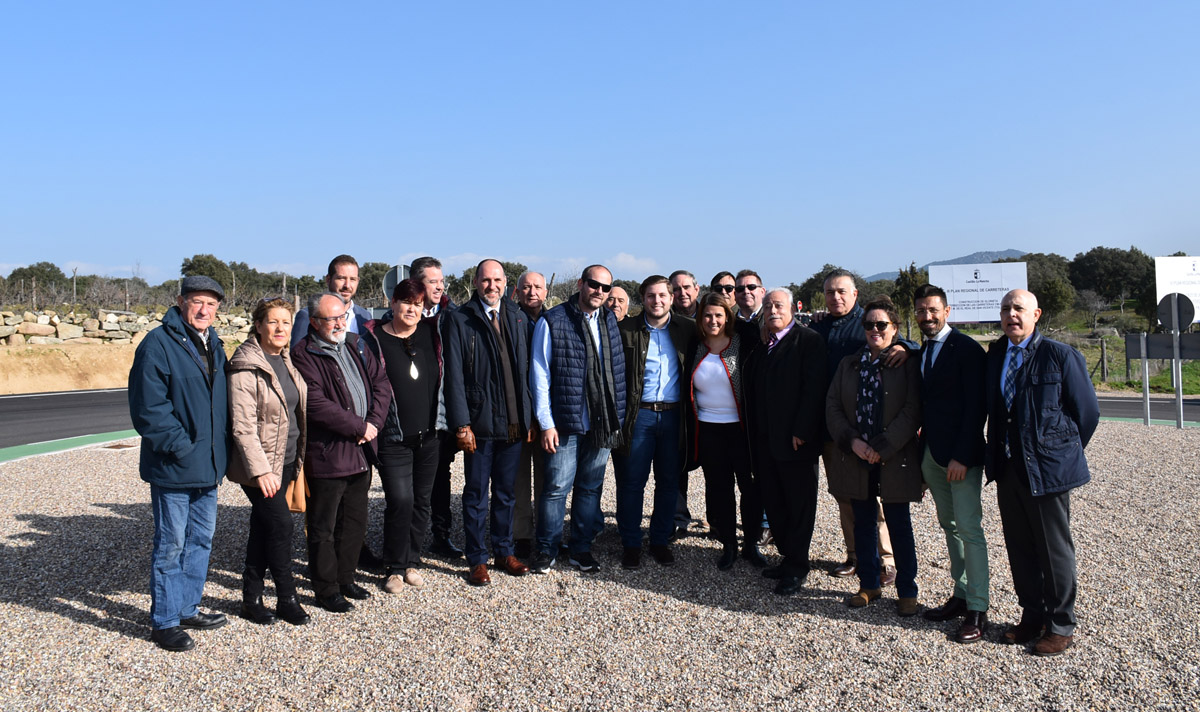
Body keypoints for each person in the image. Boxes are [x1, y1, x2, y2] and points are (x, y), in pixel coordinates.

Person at [985, 289, 1098, 656]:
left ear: (1037, 314)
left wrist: (1057, 452)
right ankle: (1032, 616)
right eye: (1005, 309)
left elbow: (1087, 414)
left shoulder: (1060, 356)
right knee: (1020, 548)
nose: (1011, 314)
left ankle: (1061, 623)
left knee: (1054, 550)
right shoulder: (997, 353)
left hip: (1046, 471)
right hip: (1008, 469)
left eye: (1019, 308)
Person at [128, 275, 230, 652]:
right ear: (181, 301)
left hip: (209, 466)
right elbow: (148, 408)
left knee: (200, 540)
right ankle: (165, 621)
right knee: (171, 543)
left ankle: (188, 606)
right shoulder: (157, 345)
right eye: (197, 301)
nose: (204, 310)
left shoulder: (214, 345)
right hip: (175, 466)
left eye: (212, 304)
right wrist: (181, 447)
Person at [291, 292, 390, 613]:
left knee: (355, 522)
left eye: (342, 316)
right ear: (315, 322)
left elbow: (381, 384)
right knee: (324, 527)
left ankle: (346, 578)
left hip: (362, 450)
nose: (338, 323)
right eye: (331, 319)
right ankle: (326, 588)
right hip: (329, 454)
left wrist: (373, 422)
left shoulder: (357, 344)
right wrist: (358, 427)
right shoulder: (303, 354)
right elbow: (316, 403)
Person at [825, 296, 923, 615]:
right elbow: (834, 407)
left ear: (894, 328)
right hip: (857, 456)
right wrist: (852, 442)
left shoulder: (907, 362)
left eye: (882, 324)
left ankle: (907, 589)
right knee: (863, 523)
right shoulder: (849, 364)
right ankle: (869, 584)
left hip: (893, 457)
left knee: (898, 523)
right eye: (869, 325)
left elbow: (912, 410)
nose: (875, 330)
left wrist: (883, 447)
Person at [529, 265, 626, 574]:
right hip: (566, 422)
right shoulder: (553, 320)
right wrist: (546, 423)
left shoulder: (609, 320)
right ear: (582, 284)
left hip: (601, 421)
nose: (599, 291)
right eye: (593, 284)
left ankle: (581, 549)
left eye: (605, 287)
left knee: (590, 487)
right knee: (557, 487)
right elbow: (540, 375)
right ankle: (547, 548)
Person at [443, 260, 534, 585]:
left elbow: (527, 372)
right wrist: (461, 424)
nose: (491, 285)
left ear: (505, 283)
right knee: (476, 494)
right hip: (479, 425)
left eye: (497, 280)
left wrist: (528, 416)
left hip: (513, 424)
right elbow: (453, 376)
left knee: (507, 493)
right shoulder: (460, 318)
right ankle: (477, 559)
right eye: (485, 280)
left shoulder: (518, 316)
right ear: (475, 282)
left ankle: (504, 551)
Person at [811, 269, 901, 583]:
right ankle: (856, 555)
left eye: (841, 291)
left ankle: (886, 559)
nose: (835, 297)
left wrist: (905, 348)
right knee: (845, 495)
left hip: (870, 428)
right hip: (833, 429)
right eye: (830, 292)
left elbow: (906, 345)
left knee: (875, 496)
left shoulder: (871, 322)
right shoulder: (818, 326)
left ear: (855, 294)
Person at [913, 284, 990, 644]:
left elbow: (977, 408)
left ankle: (978, 608)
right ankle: (960, 595)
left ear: (946, 311)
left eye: (933, 310)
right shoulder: (922, 349)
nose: (927, 316)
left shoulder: (967, 349)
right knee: (950, 526)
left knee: (970, 531)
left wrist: (962, 454)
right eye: (921, 311)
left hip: (961, 457)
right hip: (932, 454)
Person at [226, 297, 310, 627]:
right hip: (261, 468)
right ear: (258, 325)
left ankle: (250, 599)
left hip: (287, 459)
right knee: (281, 525)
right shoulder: (246, 365)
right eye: (272, 322)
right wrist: (261, 471)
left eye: (285, 322)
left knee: (263, 529)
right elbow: (242, 425)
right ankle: (287, 598)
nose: (279, 328)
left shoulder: (286, 360)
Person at [362, 278, 446, 594]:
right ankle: (394, 568)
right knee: (400, 499)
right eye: (406, 302)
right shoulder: (374, 339)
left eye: (418, 303)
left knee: (422, 501)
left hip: (430, 436)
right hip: (393, 437)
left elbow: (448, 307)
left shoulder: (431, 332)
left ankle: (412, 561)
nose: (412, 309)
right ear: (393, 302)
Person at [744, 289, 828, 595]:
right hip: (765, 440)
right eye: (768, 306)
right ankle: (786, 557)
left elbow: (814, 389)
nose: (772, 310)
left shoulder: (808, 341)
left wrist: (802, 431)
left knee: (798, 505)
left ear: (793, 309)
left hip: (795, 442)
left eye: (778, 305)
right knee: (776, 503)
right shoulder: (763, 344)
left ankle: (797, 566)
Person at [612, 275, 694, 569]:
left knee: (668, 482)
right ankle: (631, 543)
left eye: (662, 295)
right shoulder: (625, 330)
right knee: (632, 483)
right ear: (642, 299)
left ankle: (660, 540)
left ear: (672, 298)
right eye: (650, 296)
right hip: (639, 416)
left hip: (674, 416)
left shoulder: (687, 329)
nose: (656, 301)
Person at [685, 292, 765, 571]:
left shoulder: (743, 342)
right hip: (708, 429)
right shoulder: (695, 345)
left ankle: (751, 544)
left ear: (728, 317)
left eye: (719, 315)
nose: (713, 320)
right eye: (707, 315)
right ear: (700, 318)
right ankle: (729, 544)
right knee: (720, 490)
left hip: (741, 429)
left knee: (751, 488)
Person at [411, 256, 464, 560]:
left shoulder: (452, 316)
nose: (440, 286)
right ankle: (406, 540)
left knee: (440, 476)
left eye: (442, 281)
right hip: (410, 412)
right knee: (409, 481)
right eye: (433, 281)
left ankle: (440, 535)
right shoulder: (404, 315)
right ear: (418, 283)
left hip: (442, 412)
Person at [511, 271, 548, 558]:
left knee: (549, 478)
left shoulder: (557, 320)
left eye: (537, 287)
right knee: (519, 479)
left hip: (549, 416)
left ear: (546, 291)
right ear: (517, 291)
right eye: (526, 287)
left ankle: (547, 532)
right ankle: (522, 534)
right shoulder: (508, 319)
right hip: (518, 414)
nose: (531, 291)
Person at [292, 254, 372, 346]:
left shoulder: (365, 316)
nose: (347, 285)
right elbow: (297, 355)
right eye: (341, 278)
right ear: (328, 279)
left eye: (352, 279)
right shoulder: (307, 316)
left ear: (358, 281)